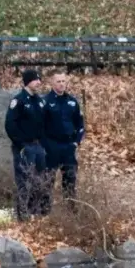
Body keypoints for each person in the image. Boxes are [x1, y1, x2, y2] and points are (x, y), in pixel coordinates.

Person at [5, 69, 48, 221]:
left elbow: (45, 124)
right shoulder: (18, 101)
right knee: (24, 181)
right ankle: (22, 215)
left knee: (39, 181)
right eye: (36, 79)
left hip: (39, 147)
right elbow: (10, 125)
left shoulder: (40, 101)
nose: (39, 82)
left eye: (39, 79)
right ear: (28, 81)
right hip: (24, 147)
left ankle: (34, 213)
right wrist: (21, 144)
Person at [41, 70, 85, 211]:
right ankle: (45, 211)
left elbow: (80, 125)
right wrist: (45, 145)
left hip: (68, 146)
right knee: (48, 180)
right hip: (51, 146)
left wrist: (76, 142)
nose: (61, 84)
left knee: (70, 179)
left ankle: (70, 210)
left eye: (63, 81)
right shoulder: (45, 101)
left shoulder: (72, 101)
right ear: (52, 83)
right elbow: (39, 126)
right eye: (58, 81)